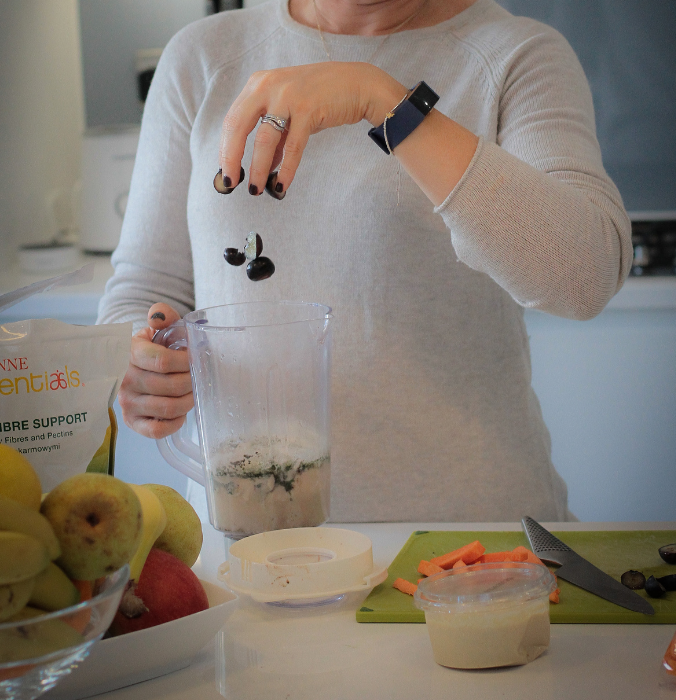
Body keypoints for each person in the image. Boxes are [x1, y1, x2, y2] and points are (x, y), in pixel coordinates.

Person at [97, 0, 632, 523]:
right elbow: (144, 284)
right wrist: (137, 359)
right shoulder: (202, 56)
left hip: (475, 540)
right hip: (251, 540)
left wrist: (383, 100)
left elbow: (583, 276)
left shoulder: (517, 55)